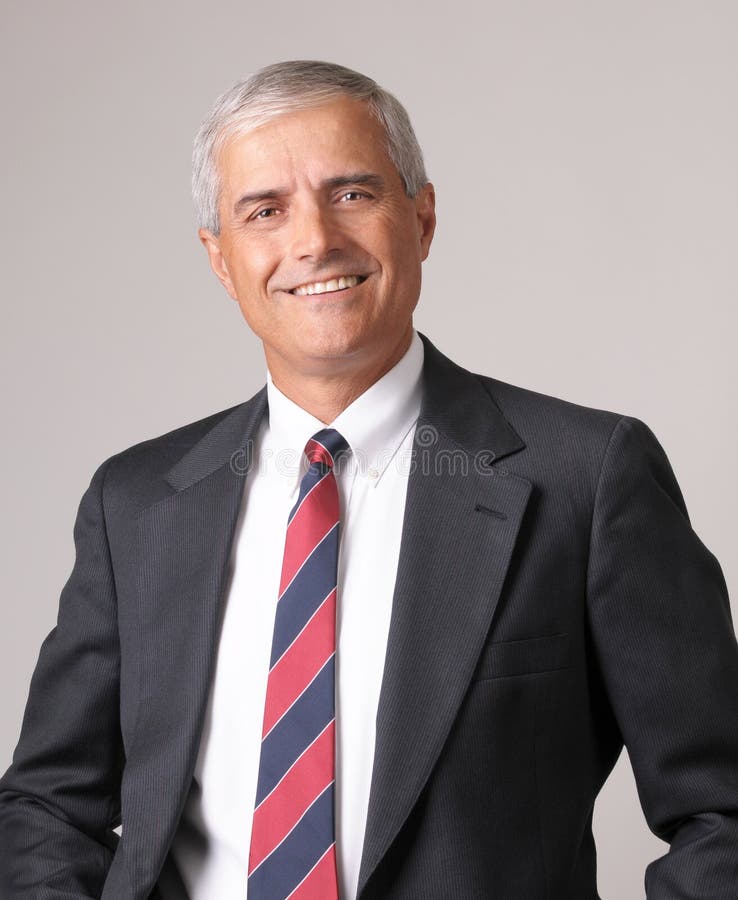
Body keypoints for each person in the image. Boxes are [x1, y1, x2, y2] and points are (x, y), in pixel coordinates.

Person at [1, 59, 736, 900]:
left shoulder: (588, 478)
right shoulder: (136, 504)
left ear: (422, 219)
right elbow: (47, 807)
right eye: (264, 210)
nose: (314, 239)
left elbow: (722, 809)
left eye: (352, 193)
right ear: (219, 257)